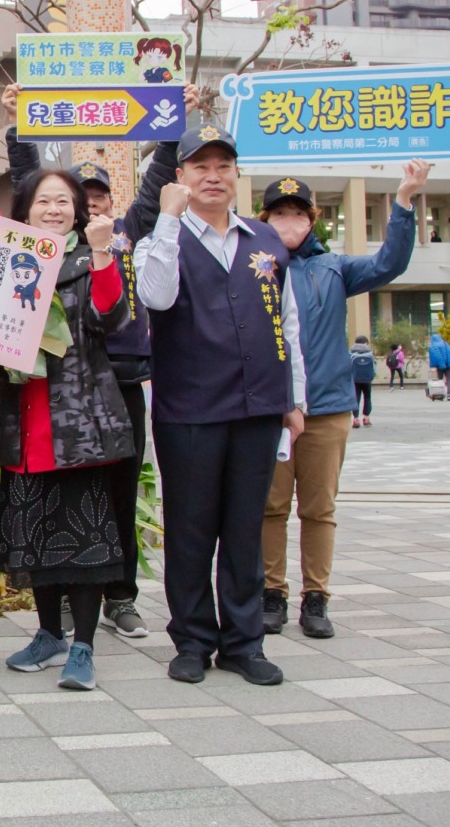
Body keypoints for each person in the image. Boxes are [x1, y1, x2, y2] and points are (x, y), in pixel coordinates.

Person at [0, 83, 191, 641]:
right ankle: (57, 613)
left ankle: (122, 596)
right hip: (50, 394)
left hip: (119, 389)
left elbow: (156, 184)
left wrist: (172, 125)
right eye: (60, 198)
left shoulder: (122, 237)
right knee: (60, 504)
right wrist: (19, 130)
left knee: (116, 501)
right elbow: (25, 186)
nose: (80, 204)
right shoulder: (30, 254)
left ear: (101, 203)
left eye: (89, 196)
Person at [136, 126, 306, 687]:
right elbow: (156, 297)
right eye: (200, 166)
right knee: (190, 528)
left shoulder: (263, 239)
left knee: (243, 528)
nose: (213, 176)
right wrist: (165, 218)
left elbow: (288, 323)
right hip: (189, 408)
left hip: (258, 406)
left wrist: (294, 398)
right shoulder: (159, 238)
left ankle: (243, 641)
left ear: (236, 175)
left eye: (223, 166)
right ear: (181, 175)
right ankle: (191, 639)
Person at [0, 170, 132, 691]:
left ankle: (83, 644)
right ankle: (47, 634)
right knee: (35, 533)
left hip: (75, 421)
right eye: (43, 200)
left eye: (64, 201)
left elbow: (110, 317)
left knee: (84, 537)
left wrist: (105, 254)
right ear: (25, 210)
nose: (54, 209)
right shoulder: (3, 261)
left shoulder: (91, 260)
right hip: (22, 417)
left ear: (78, 210)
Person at [255, 166, 423, 641]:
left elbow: (389, 262)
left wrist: (405, 201)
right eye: (279, 213)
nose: (289, 222)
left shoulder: (333, 268)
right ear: (265, 218)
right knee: (269, 507)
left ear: (313, 219)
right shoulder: (254, 266)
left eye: (297, 213)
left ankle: (316, 597)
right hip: (270, 409)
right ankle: (272, 592)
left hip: (327, 408)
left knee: (318, 508)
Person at [350, 336, 376, 428]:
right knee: (367, 397)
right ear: (366, 343)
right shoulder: (370, 353)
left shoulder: (351, 353)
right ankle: (366, 418)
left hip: (355, 380)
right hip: (367, 380)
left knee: (356, 398)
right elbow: (374, 368)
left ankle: (356, 419)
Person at [428, 333, 450, 400]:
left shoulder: (434, 346)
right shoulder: (446, 344)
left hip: (440, 366)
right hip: (449, 365)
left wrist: (438, 365)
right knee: (449, 379)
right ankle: (449, 394)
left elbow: (435, 356)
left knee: (440, 380)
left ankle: (440, 394)